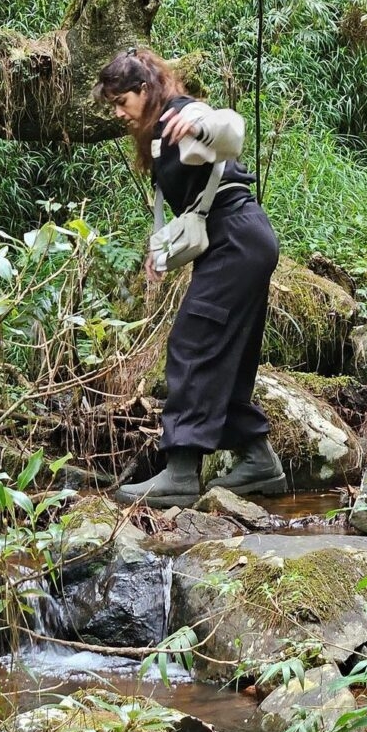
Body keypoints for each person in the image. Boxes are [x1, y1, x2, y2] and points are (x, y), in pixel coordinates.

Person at [94, 47, 286, 507]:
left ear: (145, 89)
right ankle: (258, 460)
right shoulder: (159, 135)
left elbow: (232, 129)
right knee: (228, 354)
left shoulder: (183, 114)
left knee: (192, 344)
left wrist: (201, 124)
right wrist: (159, 251)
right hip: (240, 241)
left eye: (122, 101)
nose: (119, 113)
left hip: (236, 239)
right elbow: (190, 206)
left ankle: (180, 471)